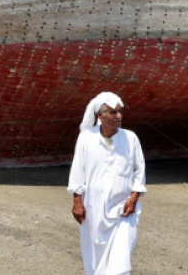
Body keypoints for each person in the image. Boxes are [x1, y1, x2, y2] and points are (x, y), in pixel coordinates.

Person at [67, 91, 146, 275]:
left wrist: (134, 197)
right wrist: (77, 200)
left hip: (123, 209)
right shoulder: (87, 137)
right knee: (94, 260)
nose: (118, 116)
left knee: (120, 263)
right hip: (93, 209)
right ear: (99, 116)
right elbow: (77, 169)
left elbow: (139, 169)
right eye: (113, 112)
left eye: (120, 112)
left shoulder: (131, 138)